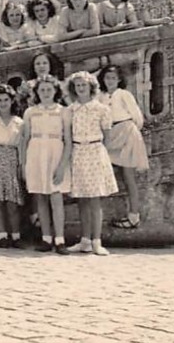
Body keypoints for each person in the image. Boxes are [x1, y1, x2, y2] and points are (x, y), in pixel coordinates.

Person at [65, 71, 118, 256]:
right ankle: (84, 240)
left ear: (91, 87)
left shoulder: (101, 109)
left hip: (95, 151)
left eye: (84, 85)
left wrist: (100, 154)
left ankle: (97, 241)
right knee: (82, 200)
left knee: (95, 199)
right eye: (77, 86)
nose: (80, 89)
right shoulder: (70, 110)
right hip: (78, 152)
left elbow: (108, 136)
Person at [22, 75, 71, 254]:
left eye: (49, 89)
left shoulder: (63, 112)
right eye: (42, 90)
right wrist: (24, 163)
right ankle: (46, 238)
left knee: (56, 197)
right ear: (36, 92)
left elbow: (68, 141)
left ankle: (60, 240)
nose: (45, 93)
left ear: (56, 91)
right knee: (41, 197)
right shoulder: (30, 112)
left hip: (55, 153)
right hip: (36, 153)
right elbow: (25, 139)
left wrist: (62, 166)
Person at [96, 63, 147, 230]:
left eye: (113, 78)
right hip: (109, 134)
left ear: (119, 80)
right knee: (101, 172)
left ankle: (134, 216)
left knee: (128, 176)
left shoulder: (124, 94)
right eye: (107, 77)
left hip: (126, 132)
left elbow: (137, 117)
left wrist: (130, 132)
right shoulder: (99, 96)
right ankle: (97, 217)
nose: (110, 81)